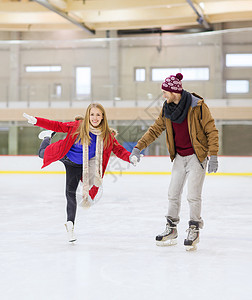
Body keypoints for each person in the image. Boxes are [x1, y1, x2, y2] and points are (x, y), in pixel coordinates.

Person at [23, 103, 137, 243]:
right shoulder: (78, 126)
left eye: (98, 115)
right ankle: (47, 137)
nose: (94, 118)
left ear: (102, 117)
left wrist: (130, 157)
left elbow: (119, 150)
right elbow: (57, 126)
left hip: (78, 166)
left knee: (70, 194)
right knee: (41, 154)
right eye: (92, 114)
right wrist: (37, 121)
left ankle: (70, 225)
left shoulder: (106, 136)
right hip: (64, 154)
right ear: (88, 115)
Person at [130, 73, 219, 251]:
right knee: (173, 193)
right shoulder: (167, 109)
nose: (163, 96)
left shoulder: (198, 106)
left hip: (196, 156)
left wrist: (214, 155)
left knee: (193, 195)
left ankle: (194, 228)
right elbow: (155, 129)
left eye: (165, 92)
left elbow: (211, 130)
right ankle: (171, 229)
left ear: (174, 91)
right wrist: (138, 147)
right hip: (179, 156)